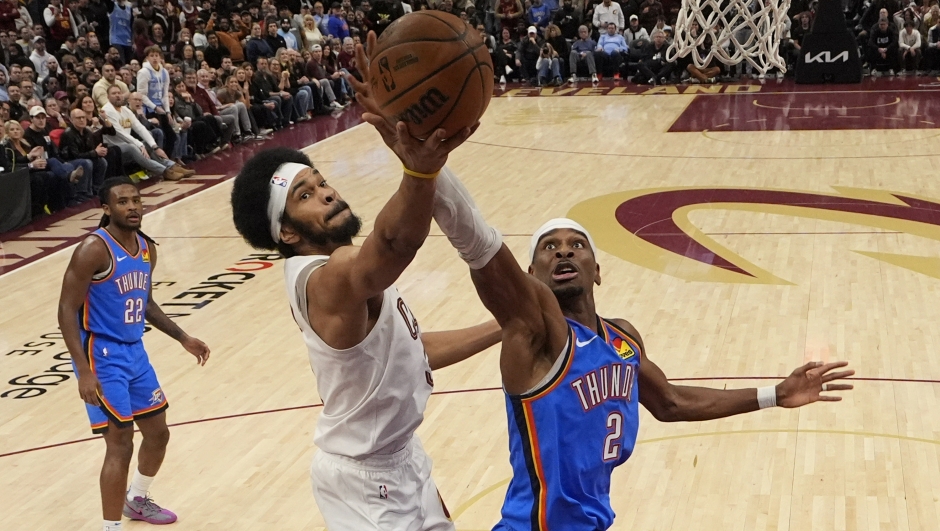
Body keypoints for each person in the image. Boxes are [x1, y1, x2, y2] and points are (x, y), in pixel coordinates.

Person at [426, 169, 856, 530]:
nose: (563, 251)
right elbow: (482, 252)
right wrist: (429, 170)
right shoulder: (533, 336)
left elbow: (670, 401)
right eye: (549, 246)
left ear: (598, 271)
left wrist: (774, 396)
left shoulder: (623, 340)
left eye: (577, 244)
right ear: (531, 275)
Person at [229, 33, 495, 531]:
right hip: (364, 483)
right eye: (306, 196)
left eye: (322, 183)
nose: (327, 194)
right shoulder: (325, 279)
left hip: (402, 461)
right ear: (286, 231)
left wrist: (506, 322)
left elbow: (413, 351)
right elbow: (392, 247)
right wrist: (419, 169)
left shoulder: (342, 270)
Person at [56, 176, 210, 531]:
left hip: (134, 352)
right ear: (107, 209)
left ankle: (136, 499)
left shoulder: (145, 247)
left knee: (158, 433)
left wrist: (182, 337)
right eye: (123, 202)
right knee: (120, 444)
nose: (132, 207)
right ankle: (111, 528)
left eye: (136, 200)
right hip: (101, 355)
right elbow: (66, 310)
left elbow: (146, 303)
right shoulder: (93, 249)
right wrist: (83, 370)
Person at [100, 84, 192, 180]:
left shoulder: (125, 110)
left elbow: (140, 127)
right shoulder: (107, 110)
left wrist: (154, 146)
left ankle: (172, 166)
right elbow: (120, 133)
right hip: (114, 147)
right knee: (133, 147)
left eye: (119, 93)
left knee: (147, 144)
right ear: (108, 96)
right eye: (114, 93)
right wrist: (139, 145)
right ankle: (164, 171)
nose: (117, 95)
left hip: (129, 143)